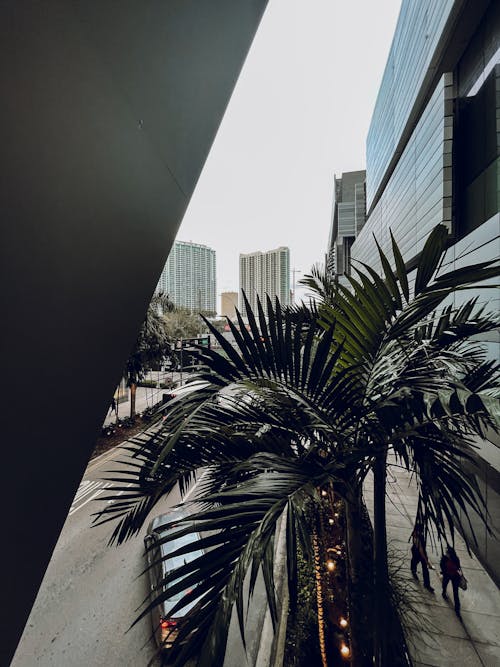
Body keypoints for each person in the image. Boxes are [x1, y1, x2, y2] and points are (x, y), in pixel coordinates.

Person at [440, 545, 462, 619]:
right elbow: (441, 565)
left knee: (456, 593)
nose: (446, 553)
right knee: (444, 584)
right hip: (447, 574)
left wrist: (461, 576)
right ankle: (443, 592)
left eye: (447, 552)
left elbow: (459, 568)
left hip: (455, 577)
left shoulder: (455, 559)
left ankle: (457, 609)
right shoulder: (444, 558)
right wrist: (444, 571)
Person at [410, 525, 434, 592]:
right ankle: (426, 584)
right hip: (419, 553)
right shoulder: (419, 537)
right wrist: (427, 562)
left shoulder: (415, 534)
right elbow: (421, 551)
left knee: (415, 562)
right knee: (423, 567)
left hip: (416, 551)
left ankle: (413, 570)